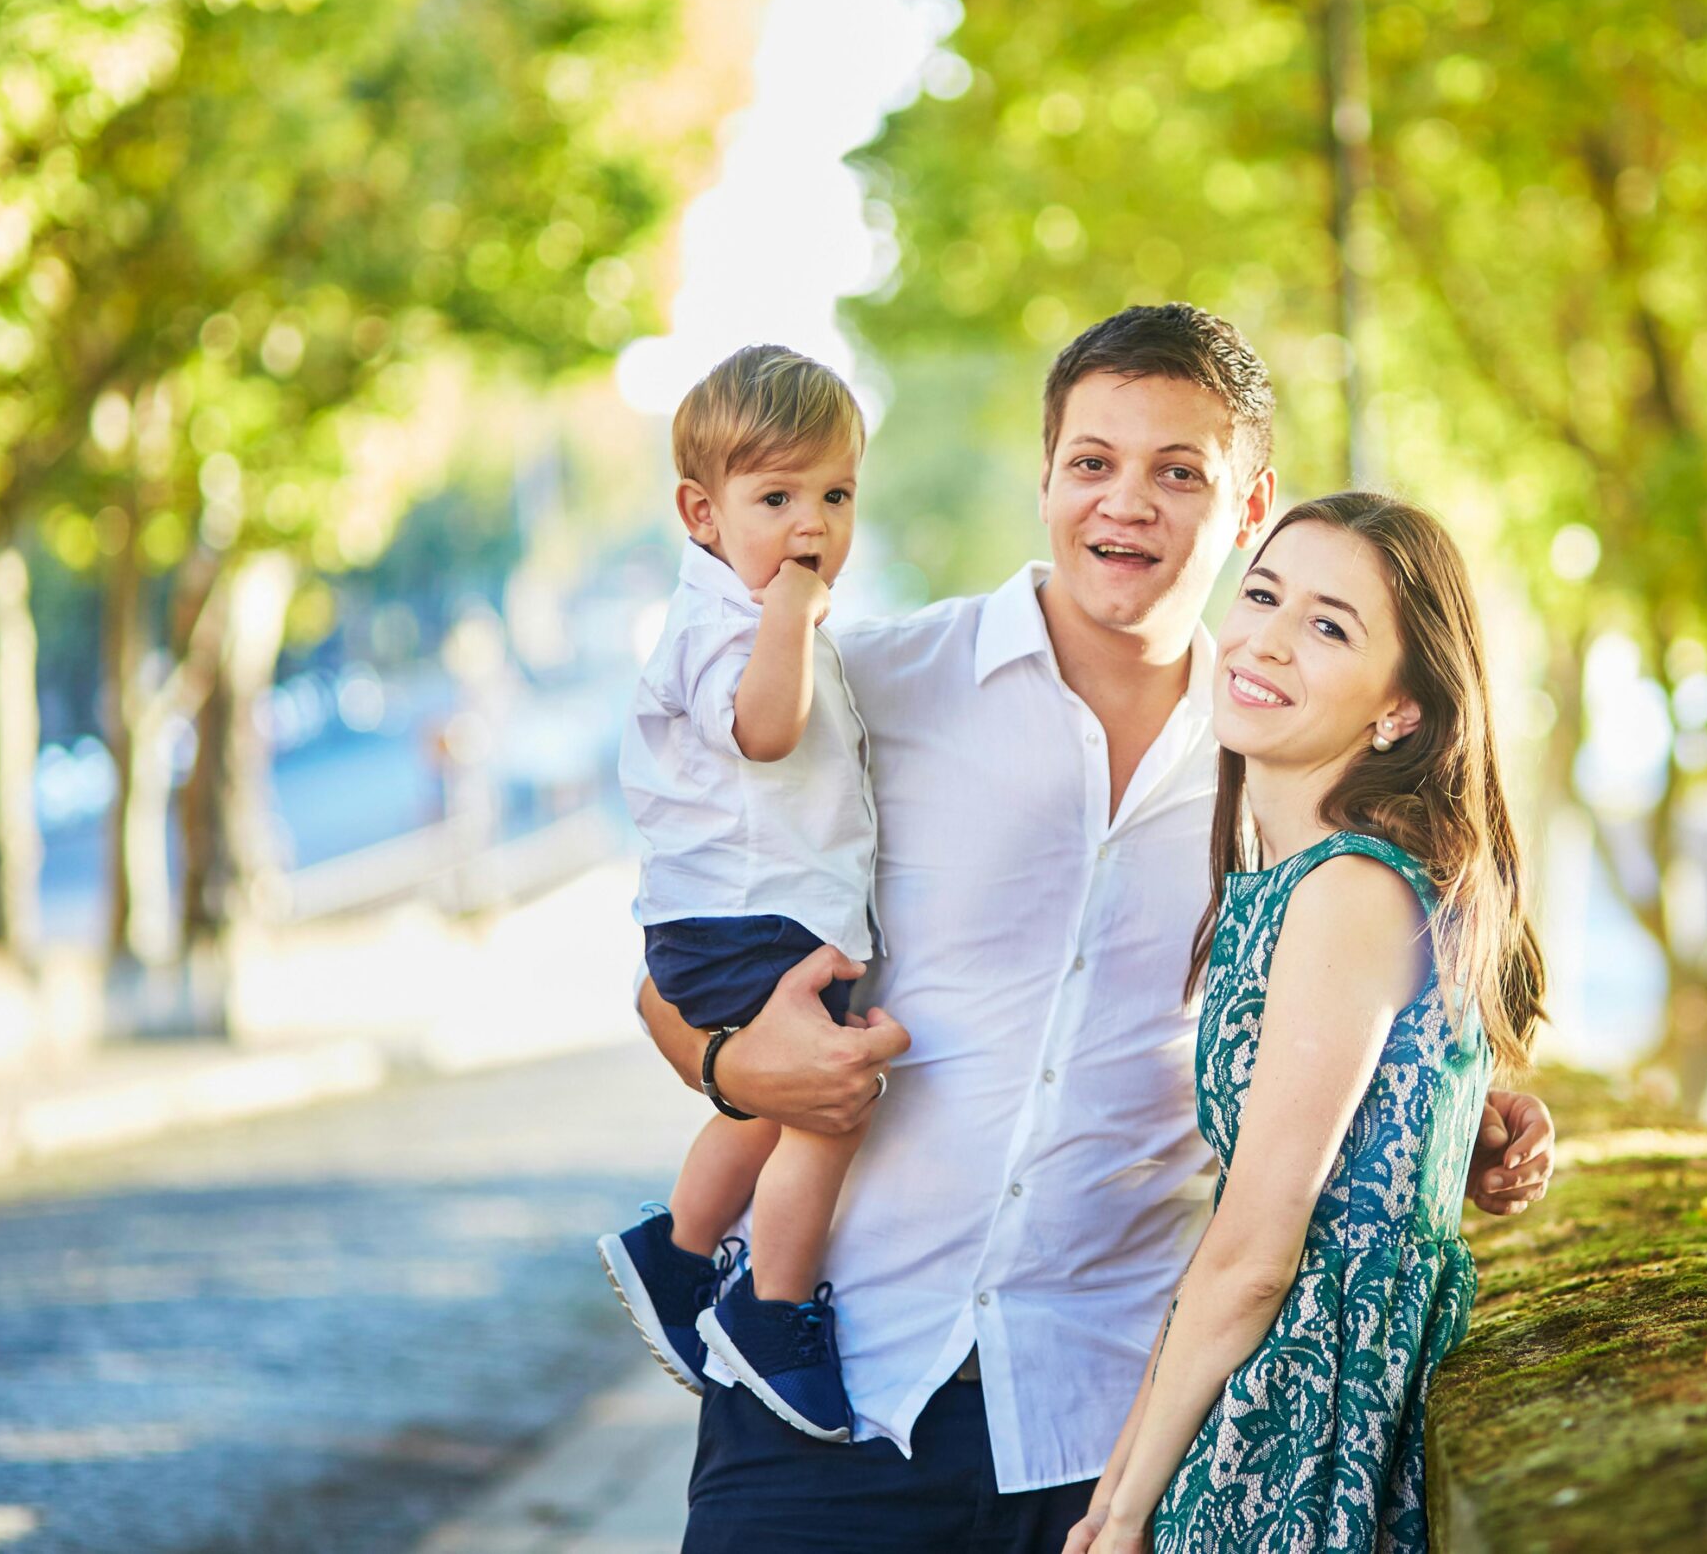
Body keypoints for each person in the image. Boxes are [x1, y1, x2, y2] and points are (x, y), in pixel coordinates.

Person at [634, 305, 1557, 1554]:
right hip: (822, 1392)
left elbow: (1335, 1012)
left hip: (1098, 1429)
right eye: (1092, 463)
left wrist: (1461, 1102)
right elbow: (683, 940)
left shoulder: (1279, 769)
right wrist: (736, 1066)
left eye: (1179, 472)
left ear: (1248, 505)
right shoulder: (872, 685)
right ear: (1047, 478)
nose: (1126, 503)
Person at [1066, 492, 1541, 1554]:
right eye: (1265, 594)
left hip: (1301, 1415)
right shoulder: (1292, 884)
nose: (1266, 640)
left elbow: (1252, 1254)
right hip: (1261, 1384)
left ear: (1399, 711)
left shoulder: (1349, 891)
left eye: (1329, 626)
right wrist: (1113, 1494)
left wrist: (1124, 1511)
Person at [600, 345, 881, 1443]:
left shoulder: (762, 617)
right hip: (745, 919)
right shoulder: (729, 625)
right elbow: (766, 733)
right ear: (701, 513)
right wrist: (790, 620)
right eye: (776, 498)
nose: (811, 526)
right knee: (825, 1108)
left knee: (767, 1107)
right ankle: (772, 1310)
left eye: (836, 495)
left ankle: (674, 1254)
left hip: (753, 916)